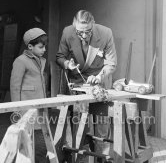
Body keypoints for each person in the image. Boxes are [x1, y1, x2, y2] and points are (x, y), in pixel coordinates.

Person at [56, 10, 117, 162]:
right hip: (77, 80)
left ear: (93, 24)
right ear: (73, 26)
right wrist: (67, 64)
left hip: (99, 80)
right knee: (78, 120)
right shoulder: (67, 32)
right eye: (79, 32)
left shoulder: (106, 33)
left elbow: (111, 63)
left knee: (101, 123)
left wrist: (99, 77)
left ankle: (101, 157)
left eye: (88, 32)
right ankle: (78, 154)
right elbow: (60, 57)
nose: (83, 36)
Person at [10, 28, 48, 163]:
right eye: (41, 47)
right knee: (27, 144)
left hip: (40, 108)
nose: (44, 50)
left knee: (40, 143)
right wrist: (17, 111)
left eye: (45, 47)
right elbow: (15, 87)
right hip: (26, 109)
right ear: (30, 46)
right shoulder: (20, 61)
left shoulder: (40, 60)